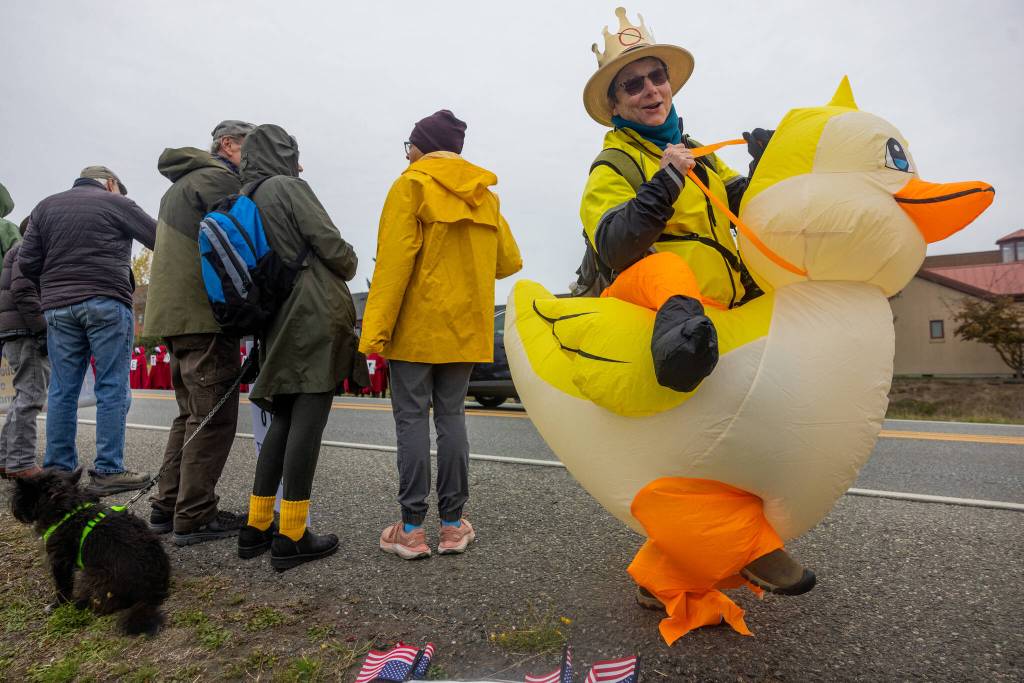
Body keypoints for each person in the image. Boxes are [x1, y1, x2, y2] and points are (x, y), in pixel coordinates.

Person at [579, 6, 809, 605]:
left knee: (728, 441)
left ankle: (669, 572)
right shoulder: (615, 163)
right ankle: (748, 549)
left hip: (725, 316)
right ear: (616, 104)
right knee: (711, 441)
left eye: (656, 77)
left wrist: (767, 163)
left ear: (671, 84)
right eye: (633, 84)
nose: (649, 90)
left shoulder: (701, 150)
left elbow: (748, 208)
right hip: (661, 318)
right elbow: (614, 241)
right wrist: (665, 183)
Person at [360, 109, 522, 560]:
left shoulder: (411, 184)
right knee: (451, 419)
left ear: (420, 146)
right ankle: (453, 526)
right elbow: (508, 261)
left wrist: (374, 331)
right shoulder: (483, 195)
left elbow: (393, 266)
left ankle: (411, 529)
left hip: (416, 326)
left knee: (411, 419)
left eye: (409, 144)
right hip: (465, 325)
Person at [235, 124, 359, 571]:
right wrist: (350, 258)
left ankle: (256, 526)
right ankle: (291, 536)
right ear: (281, 155)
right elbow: (333, 248)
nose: (299, 163)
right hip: (312, 313)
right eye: (293, 154)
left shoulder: (245, 197)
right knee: (307, 419)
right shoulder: (289, 187)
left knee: (283, 420)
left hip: (278, 318)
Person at [143, 120, 255, 545]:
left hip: (174, 317)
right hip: (203, 316)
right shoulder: (215, 179)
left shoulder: (183, 183)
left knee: (189, 413)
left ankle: (166, 505)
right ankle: (194, 515)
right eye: (250, 146)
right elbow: (243, 236)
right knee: (212, 418)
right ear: (228, 145)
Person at [19, 166, 156, 495]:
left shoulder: (45, 207)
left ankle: (57, 471)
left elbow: (26, 262)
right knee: (112, 387)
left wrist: (55, 281)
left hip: (58, 307)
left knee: (62, 390)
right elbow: (158, 237)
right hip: (106, 302)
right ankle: (109, 469)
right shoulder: (115, 202)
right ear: (110, 183)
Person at [0, 216, 49, 479]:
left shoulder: (15, 251)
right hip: (26, 331)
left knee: (22, 397)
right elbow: (23, 291)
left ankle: (7, 457)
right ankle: (21, 462)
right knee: (31, 397)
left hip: (13, 330)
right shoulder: (26, 250)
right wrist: (42, 329)